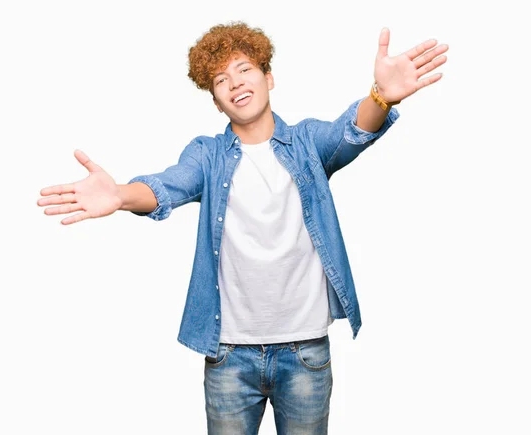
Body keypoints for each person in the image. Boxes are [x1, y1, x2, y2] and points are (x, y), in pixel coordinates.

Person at [37, 21, 448, 435]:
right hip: (229, 357)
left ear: (268, 77)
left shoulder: (307, 143)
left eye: (244, 69)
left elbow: (351, 130)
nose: (235, 83)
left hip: (304, 352)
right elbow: (167, 186)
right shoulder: (208, 155)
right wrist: (121, 196)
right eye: (221, 79)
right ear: (216, 100)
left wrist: (380, 96)